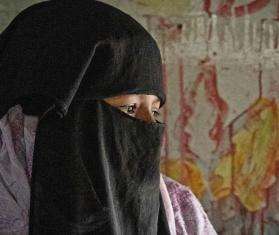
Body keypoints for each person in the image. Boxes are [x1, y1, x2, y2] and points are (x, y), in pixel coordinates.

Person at [0, 0, 217, 234]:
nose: (150, 126)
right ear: (55, 120)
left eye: (155, 110)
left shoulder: (179, 210)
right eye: (130, 109)